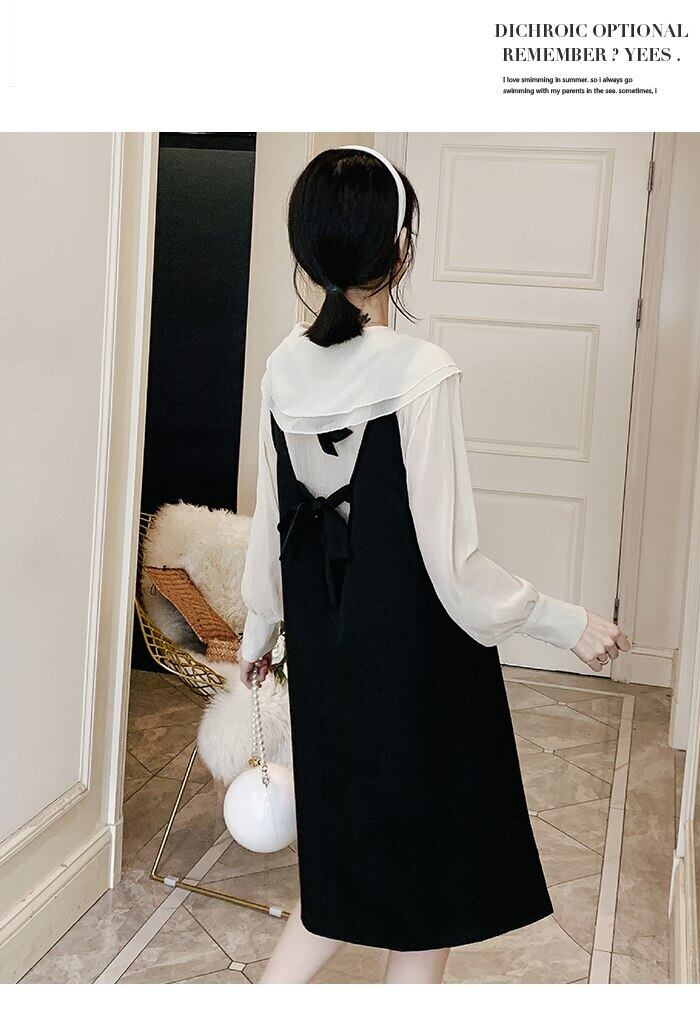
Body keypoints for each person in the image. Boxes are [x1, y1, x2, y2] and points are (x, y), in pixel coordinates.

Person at [239, 146, 630, 984]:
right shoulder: (420, 373)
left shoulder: (281, 368)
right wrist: (565, 623)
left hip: (327, 665)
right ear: (401, 249)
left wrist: (256, 632)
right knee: (424, 898)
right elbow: (454, 569)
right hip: (416, 670)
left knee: (338, 879)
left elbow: (273, 527)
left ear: (308, 251)